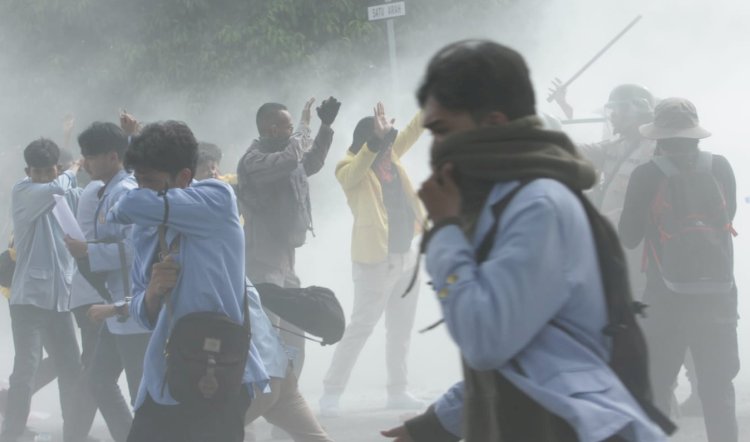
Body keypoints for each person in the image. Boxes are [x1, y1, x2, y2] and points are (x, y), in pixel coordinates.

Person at [383, 40, 666, 442]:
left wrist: (445, 232)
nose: (437, 148)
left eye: (445, 130)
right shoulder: (510, 199)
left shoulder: (536, 208)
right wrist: (438, 422)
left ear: (494, 123)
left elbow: (488, 339)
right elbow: (526, 355)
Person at [108, 121, 268, 442]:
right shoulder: (145, 227)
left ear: (183, 176)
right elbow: (141, 312)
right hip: (166, 375)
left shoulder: (216, 198)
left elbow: (124, 206)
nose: (141, 189)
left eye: (150, 182)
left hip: (219, 372)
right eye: (137, 180)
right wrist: (153, 292)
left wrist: (132, 195)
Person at [618, 98, 738, 442]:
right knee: (717, 390)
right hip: (718, 299)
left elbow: (629, 237)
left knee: (657, 389)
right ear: (694, 134)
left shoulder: (646, 174)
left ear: (659, 137)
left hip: (665, 299)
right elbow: (727, 219)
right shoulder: (721, 167)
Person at [319, 103, 425, 416]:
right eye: (384, 140)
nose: (392, 144)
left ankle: (398, 391)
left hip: (406, 255)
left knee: (400, 328)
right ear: (368, 140)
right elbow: (354, 173)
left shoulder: (390, 155)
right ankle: (331, 392)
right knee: (361, 326)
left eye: (390, 140)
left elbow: (412, 132)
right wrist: (375, 142)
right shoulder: (349, 165)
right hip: (374, 261)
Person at [236, 97, 340, 377]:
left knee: (295, 336)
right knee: (266, 337)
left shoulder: (284, 155)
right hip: (261, 263)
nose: (293, 132)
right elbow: (291, 159)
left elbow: (311, 162)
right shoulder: (254, 161)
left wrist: (325, 127)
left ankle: (286, 402)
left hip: (285, 261)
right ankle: (257, 404)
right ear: (271, 129)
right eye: (288, 127)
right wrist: (305, 126)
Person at [64, 122, 151, 442]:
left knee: (141, 391)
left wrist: (89, 250)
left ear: (113, 156)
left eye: (90, 156)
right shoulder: (107, 190)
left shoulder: (125, 192)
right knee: (99, 381)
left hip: (132, 309)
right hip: (116, 307)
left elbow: (136, 247)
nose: (84, 162)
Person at [1, 139, 86, 442]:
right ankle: (11, 433)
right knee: (25, 370)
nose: (42, 177)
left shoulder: (65, 192)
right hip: (29, 301)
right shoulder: (25, 191)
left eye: (48, 171)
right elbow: (56, 190)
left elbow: (78, 204)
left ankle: (73, 434)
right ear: (28, 171)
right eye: (36, 172)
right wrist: (74, 169)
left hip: (60, 300)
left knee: (71, 368)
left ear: (56, 168)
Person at [244, 280, 334, 442]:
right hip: (278, 368)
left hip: (251, 378)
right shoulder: (239, 276)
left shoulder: (199, 275)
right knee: (315, 438)